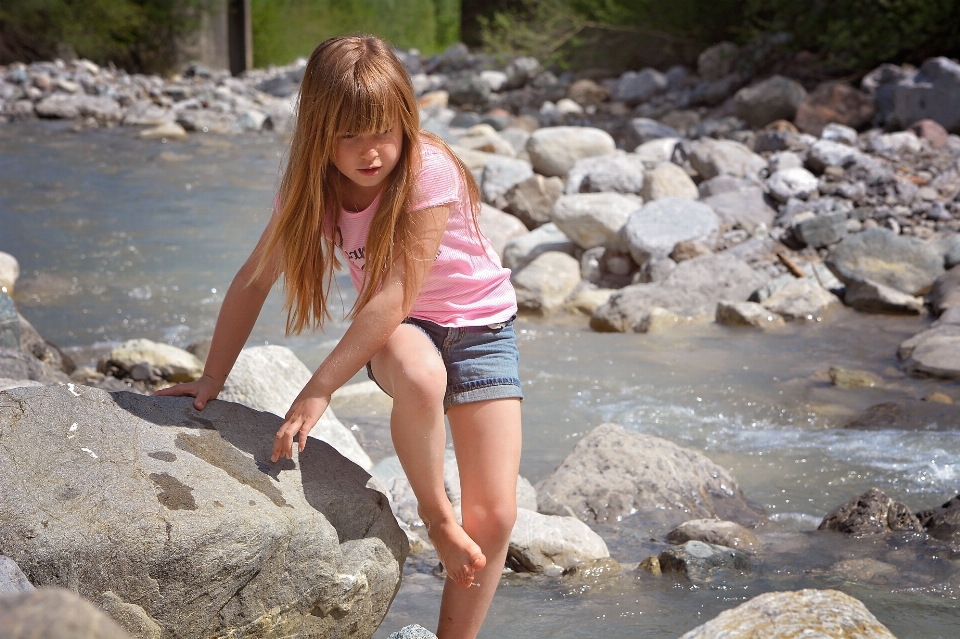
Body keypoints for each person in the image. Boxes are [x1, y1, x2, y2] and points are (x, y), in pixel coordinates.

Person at [155, 34, 522, 639]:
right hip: (401, 329)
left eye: (382, 130)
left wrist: (321, 387)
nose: (370, 152)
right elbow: (254, 280)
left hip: (483, 330)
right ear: (319, 132)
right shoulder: (314, 189)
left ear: (406, 119)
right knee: (422, 375)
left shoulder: (428, 170)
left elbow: (396, 287)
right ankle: (435, 518)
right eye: (348, 135)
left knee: (498, 515)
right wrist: (213, 377)